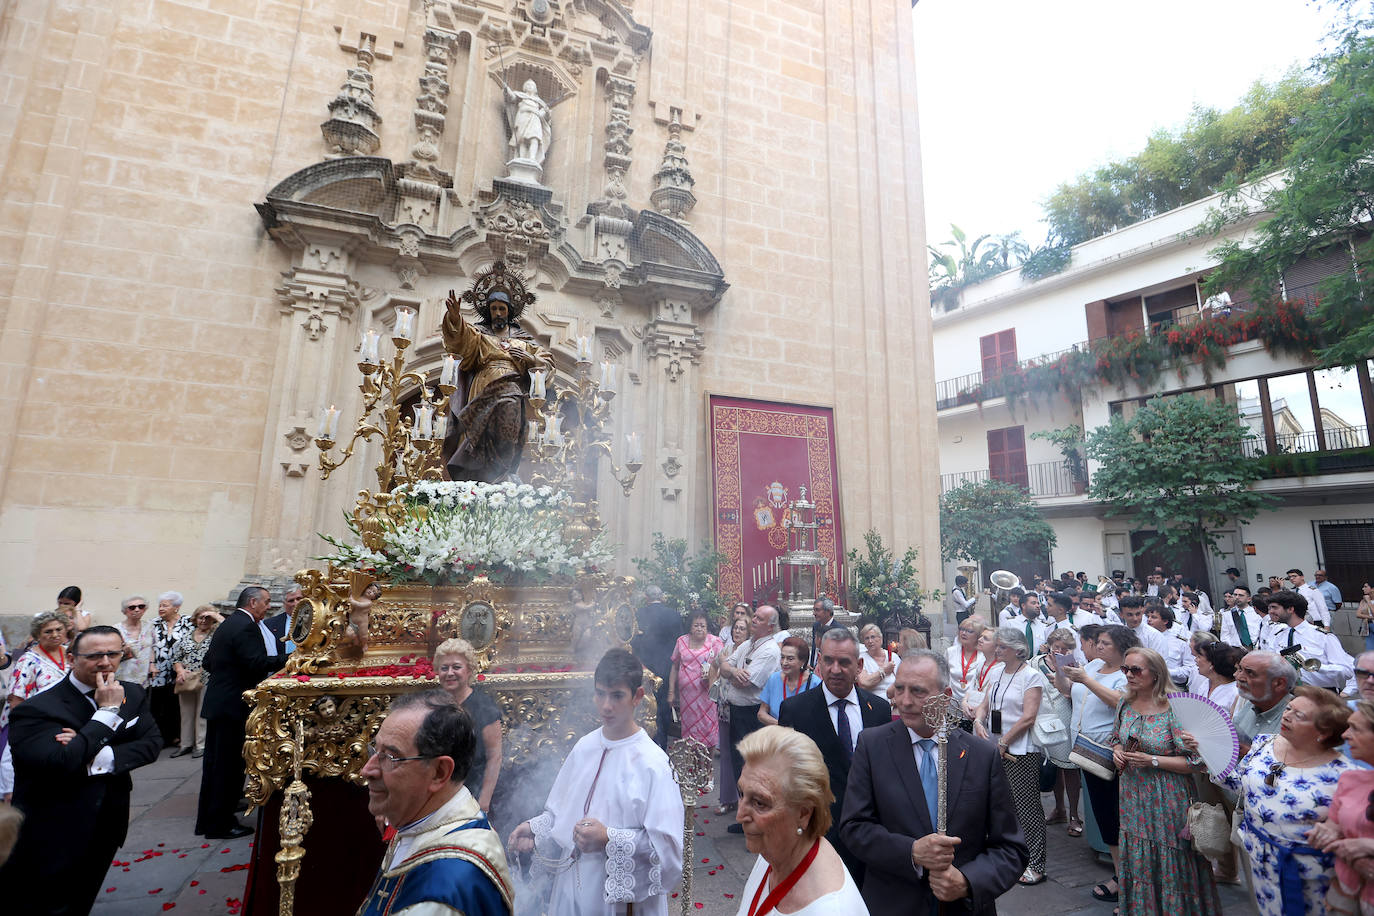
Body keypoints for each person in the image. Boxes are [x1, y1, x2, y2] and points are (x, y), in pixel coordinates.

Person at [839, 651, 1028, 915]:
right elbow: (853, 827)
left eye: (918, 691)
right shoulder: (872, 746)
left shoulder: (981, 755)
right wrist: (911, 852)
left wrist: (967, 882)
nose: (904, 701)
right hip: (893, 904)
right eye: (900, 689)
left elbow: (1011, 848)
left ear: (947, 696)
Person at [0, 625, 162, 915]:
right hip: (53, 825)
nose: (105, 662)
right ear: (72, 658)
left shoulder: (132, 694)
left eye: (113, 653)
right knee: (48, 903)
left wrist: (93, 754)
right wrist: (106, 714)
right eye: (94, 655)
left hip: (108, 818)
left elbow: (151, 745)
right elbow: (59, 762)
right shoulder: (37, 709)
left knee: (84, 895)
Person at [509, 649, 684, 916]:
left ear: (637, 696)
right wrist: (536, 828)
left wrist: (609, 839)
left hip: (622, 902)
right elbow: (562, 813)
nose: (606, 706)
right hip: (572, 889)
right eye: (600, 693)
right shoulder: (584, 747)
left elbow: (668, 854)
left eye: (617, 696)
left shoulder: (653, 764)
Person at [358, 690, 513, 916]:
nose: (367, 770)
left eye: (390, 757)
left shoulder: (444, 892)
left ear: (440, 772)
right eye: (375, 749)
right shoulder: (424, 817)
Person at [1218, 685, 1352, 916]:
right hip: (1260, 861)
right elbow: (1241, 784)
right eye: (1288, 708)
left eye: (1298, 715)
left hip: (1311, 877)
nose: (1286, 715)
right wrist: (1211, 758)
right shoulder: (1264, 743)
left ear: (1325, 731)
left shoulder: (1343, 775)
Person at [1111, 646, 1222, 915]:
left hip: (1167, 797)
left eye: (1136, 670)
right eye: (1125, 669)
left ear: (1156, 674)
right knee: (1139, 855)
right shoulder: (1124, 703)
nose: (1129, 675)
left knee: (1173, 855)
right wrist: (1117, 752)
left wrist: (1153, 760)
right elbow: (1116, 738)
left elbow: (1197, 762)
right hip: (1132, 794)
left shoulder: (1175, 708)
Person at [778, 626, 890, 879]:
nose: (835, 670)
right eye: (828, 661)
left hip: (871, 839)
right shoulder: (795, 710)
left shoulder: (879, 710)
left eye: (844, 662)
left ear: (859, 665)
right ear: (819, 662)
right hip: (818, 837)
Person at [733, 726, 869, 915]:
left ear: (803, 813)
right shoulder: (775, 849)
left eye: (759, 803)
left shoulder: (830, 910)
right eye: (741, 793)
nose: (740, 815)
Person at [440, 276, 554, 483]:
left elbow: (546, 363)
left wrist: (531, 359)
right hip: (483, 389)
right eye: (494, 308)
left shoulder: (524, 340)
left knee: (507, 430)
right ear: (488, 311)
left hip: (512, 390)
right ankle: (479, 476)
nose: (498, 313)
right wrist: (455, 319)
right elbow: (461, 341)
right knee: (479, 435)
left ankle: (502, 475)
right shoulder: (480, 336)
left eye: (502, 308)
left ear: (510, 310)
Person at [195, 585, 285, 839]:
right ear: (253, 602)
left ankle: (213, 815)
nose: (269, 607)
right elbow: (256, 663)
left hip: (221, 702)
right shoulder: (245, 627)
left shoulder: (229, 624)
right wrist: (290, 659)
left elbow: (209, 662)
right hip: (233, 706)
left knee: (216, 765)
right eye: (266, 602)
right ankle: (220, 824)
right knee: (227, 767)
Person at [1057, 624, 1138, 903]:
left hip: (1110, 750)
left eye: (1105, 643)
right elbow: (1068, 691)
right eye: (1098, 642)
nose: (1099, 647)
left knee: (1114, 815)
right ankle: (1122, 874)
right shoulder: (1093, 667)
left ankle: (1124, 879)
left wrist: (1085, 679)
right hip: (1086, 748)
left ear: (1121, 647)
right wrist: (1061, 669)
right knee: (1104, 815)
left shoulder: (1126, 673)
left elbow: (1120, 702)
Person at [972, 627, 1048, 885]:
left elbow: (1028, 716)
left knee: (1026, 807)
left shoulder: (1031, 676)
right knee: (999, 804)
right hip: (994, 745)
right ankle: (1009, 854)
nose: (997, 650)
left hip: (1019, 750)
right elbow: (985, 704)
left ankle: (1036, 863)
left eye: (1002, 647)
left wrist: (1004, 742)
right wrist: (979, 722)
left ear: (1017, 650)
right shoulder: (995, 671)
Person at [720, 605, 783, 823]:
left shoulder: (770, 651)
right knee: (740, 767)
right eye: (754, 615)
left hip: (752, 715)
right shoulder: (748, 643)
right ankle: (747, 816)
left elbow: (747, 683)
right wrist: (733, 671)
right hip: (737, 712)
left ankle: (760, 821)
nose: (753, 619)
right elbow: (723, 666)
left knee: (753, 769)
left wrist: (731, 672)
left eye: (759, 618)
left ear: (770, 626)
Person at [1310, 699, 1374, 914]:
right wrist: (1327, 832)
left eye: (1355, 729)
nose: (1345, 736)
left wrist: (1367, 847)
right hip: (1346, 895)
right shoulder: (1350, 779)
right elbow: (1334, 825)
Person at [433, 638, 503, 813]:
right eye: (444, 668)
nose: (449, 673)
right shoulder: (433, 704)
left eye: (456, 667)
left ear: (469, 670)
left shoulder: (484, 707)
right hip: (438, 795)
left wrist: (484, 802)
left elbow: (495, 757)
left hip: (473, 795)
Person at [1035, 628, 1081, 836]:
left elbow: (1075, 694)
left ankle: (1074, 815)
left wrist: (1065, 673)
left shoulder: (1075, 667)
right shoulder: (1035, 663)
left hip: (1066, 718)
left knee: (1069, 767)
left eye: (1066, 648)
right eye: (1057, 648)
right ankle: (1059, 808)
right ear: (1049, 646)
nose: (1060, 652)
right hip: (1043, 719)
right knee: (1051, 766)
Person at [1264, 590, 1354, 691]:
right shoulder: (1279, 635)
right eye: (1269, 608)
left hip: (1321, 694)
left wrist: (1315, 667)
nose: (1270, 612)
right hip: (1288, 694)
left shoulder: (1322, 636)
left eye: (1274, 607)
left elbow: (1347, 671)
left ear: (1290, 609)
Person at [630, 585, 682, 749]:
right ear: (662, 597)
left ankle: (646, 745)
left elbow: (633, 641)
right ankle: (662, 745)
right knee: (664, 707)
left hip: (645, 669)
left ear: (646, 597)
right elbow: (680, 643)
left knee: (645, 707)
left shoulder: (638, 615)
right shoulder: (674, 615)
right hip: (667, 669)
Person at [669, 608, 725, 746]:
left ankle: (707, 765)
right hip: (686, 698)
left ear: (707, 627)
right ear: (690, 627)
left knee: (708, 730)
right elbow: (675, 667)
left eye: (702, 626)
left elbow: (723, 666)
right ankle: (692, 765)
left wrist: (713, 676)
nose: (699, 628)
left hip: (706, 696)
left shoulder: (715, 642)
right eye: (696, 625)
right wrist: (671, 692)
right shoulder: (681, 641)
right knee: (689, 732)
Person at [712, 616, 750, 815]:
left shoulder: (749, 652)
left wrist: (731, 673)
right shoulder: (725, 651)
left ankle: (746, 799)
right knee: (726, 753)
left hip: (744, 707)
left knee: (744, 755)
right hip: (724, 707)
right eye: (735, 628)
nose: (737, 632)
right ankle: (727, 798)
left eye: (742, 629)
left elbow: (742, 680)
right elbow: (716, 669)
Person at [170, 604, 218, 758]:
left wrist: (215, 615)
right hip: (187, 678)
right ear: (195, 618)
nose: (203, 620)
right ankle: (185, 744)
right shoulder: (187, 635)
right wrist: (180, 670)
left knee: (202, 713)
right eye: (200, 617)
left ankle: (201, 745)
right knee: (186, 712)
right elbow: (176, 657)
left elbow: (226, 625)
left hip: (207, 677)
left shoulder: (217, 634)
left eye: (207, 617)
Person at [149, 591, 193, 750]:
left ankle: (176, 736)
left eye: (165, 605)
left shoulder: (188, 622)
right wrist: (151, 663)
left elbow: (193, 642)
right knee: (158, 703)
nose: (161, 608)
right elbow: (150, 646)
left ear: (176, 607)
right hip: (159, 669)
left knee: (176, 703)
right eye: (160, 605)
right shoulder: (154, 623)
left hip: (180, 669)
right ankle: (161, 737)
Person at [1233, 651, 1296, 756]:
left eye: (1250, 673)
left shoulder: (1298, 718)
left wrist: (1252, 755)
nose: (1239, 677)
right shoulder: (1250, 703)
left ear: (1279, 684)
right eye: (1240, 669)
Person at [7, 611, 71, 709]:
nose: (55, 635)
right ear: (37, 635)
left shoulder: (72, 653)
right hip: (39, 717)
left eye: (59, 629)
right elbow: (16, 701)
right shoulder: (28, 660)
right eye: (48, 631)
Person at [758, 636, 819, 726]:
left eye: (790, 659)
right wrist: (782, 726)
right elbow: (761, 713)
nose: (784, 662)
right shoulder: (774, 679)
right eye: (782, 657)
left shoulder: (815, 684)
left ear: (802, 661)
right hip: (777, 735)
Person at [947, 615, 987, 713]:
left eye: (969, 631)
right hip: (952, 706)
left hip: (974, 706)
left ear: (978, 635)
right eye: (962, 629)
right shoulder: (950, 652)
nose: (963, 633)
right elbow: (944, 676)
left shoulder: (984, 655)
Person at [1188, 640, 1242, 712]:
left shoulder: (1235, 693)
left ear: (1212, 663)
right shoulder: (1205, 684)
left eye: (1199, 656)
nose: (1196, 660)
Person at [961, 625, 1002, 720]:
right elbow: (972, 686)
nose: (979, 640)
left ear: (996, 646)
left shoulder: (1001, 668)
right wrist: (964, 702)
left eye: (986, 639)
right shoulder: (981, 663)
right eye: (981, 636)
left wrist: (980, 709)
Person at [114, 595, 155, 686]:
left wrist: (152, 665)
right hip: (124, 676)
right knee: (125, 700)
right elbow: (112, 654)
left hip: (144, 676)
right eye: (132, 607)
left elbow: (151, 647)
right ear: (125, 611)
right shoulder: (117, 629)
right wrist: (123, 651)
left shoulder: (149, 626)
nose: (137, 610)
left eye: (141, 606)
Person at [856, 623, 896, 697]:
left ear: (880, 639)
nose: (870, 641)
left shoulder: (893, 657)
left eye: (873, 637)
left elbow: (902, 680)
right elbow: (864, 684)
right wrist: (883, 671)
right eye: (866, 638)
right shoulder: (861, 659)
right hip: (873, 702)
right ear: (864, 642)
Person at [1222, 585, 1263, 650]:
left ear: (1249, 599)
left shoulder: (1256, 613)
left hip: (1256, 649)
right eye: (1235, 595)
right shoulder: (1227, 615)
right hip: (1236, 651)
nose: (1237, 597)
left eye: (1241, 595)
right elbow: (1225, 636)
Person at [808, 598, 843, 669]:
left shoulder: (839, 630)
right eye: (814, 610)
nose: (814, 613)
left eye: (817, 610)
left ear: (828, 611)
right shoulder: (816, 625)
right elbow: (815, 648)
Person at [1357, 582, 1374, 653]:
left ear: (1372, 589)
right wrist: (1371, 617)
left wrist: (1369, 601)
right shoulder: (1363, 601)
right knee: (1369, 650)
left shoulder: (1367, 600)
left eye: (1365, 587)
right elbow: (1358, 614)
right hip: (1368, 626)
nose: (1363, 588)